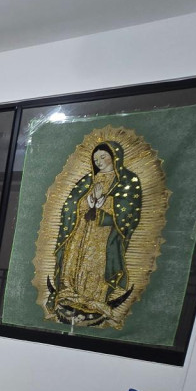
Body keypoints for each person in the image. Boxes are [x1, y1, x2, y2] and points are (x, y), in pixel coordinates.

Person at [47, 140, 142, 326]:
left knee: (96, 262)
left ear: (114, 157)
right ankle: (70, 294)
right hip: (81, 230)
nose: (99, 162)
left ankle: (94, 299)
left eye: (103, 157)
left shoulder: (127, 180)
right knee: (75, 259)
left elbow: (129, 212)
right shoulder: (89, 179)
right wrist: (90, 200)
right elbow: (71, 204)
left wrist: (103, 202)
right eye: (96, 159)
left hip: (104, 233)